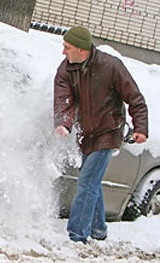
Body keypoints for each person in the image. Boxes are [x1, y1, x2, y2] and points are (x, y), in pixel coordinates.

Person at [53, 26, 148, 244]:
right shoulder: (66, 69)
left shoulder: (111, 66)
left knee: (86, 182)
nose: (63, 52)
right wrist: (64, 124)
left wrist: (140, 127)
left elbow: (135, 99)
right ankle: (99, 230)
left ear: (81, 50)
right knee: (92, 182)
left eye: (67, 47)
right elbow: (63, 99)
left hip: (108, 132)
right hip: (86, 133)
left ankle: (77, 236)